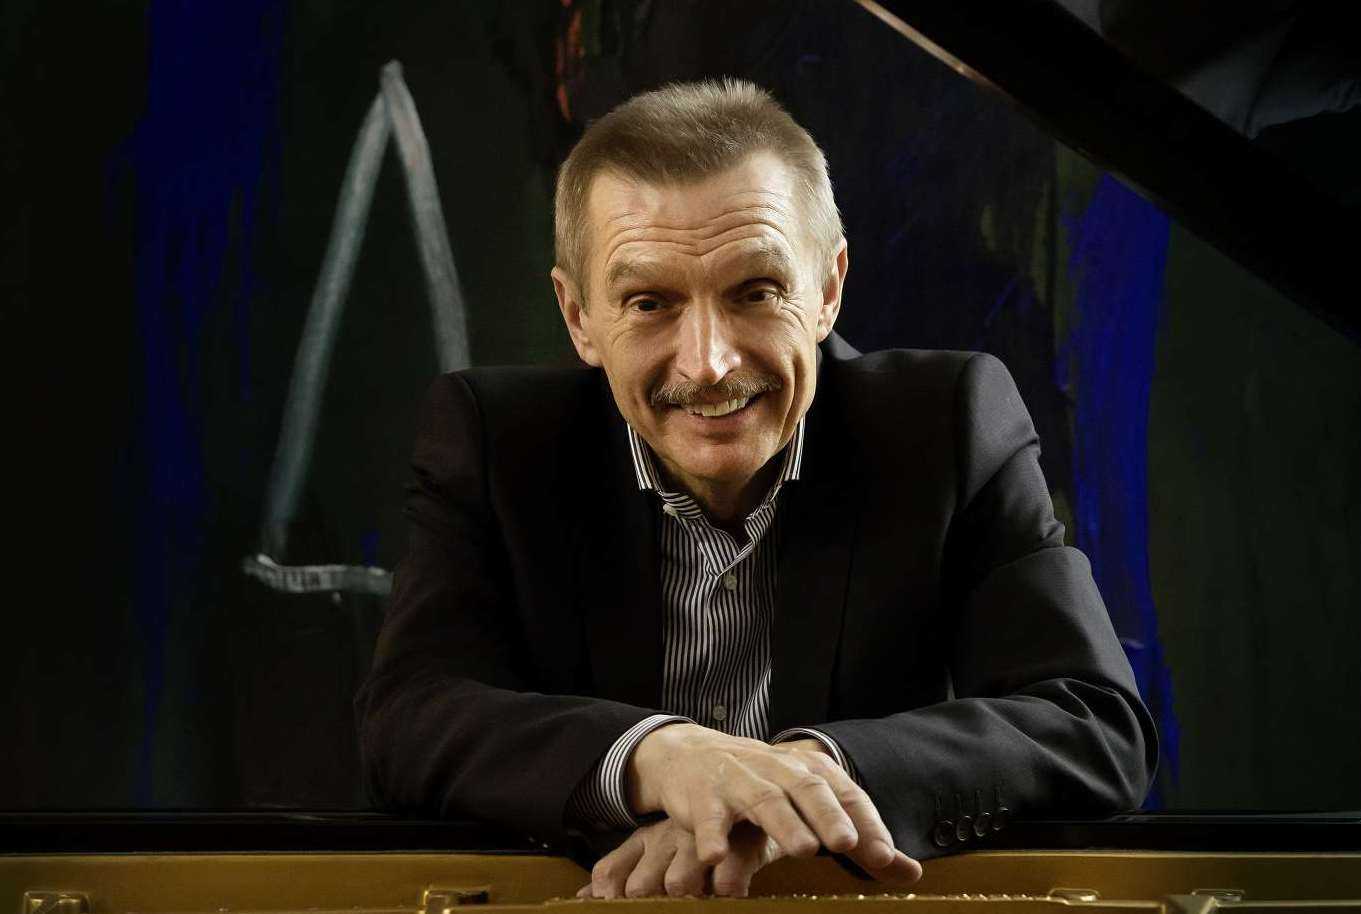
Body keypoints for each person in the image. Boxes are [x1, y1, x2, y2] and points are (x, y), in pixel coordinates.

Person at [354, 78, 1157, 900]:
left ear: (828, 290)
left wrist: (803, 781)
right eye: (649, 302)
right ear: (579, 316)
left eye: (757, 292)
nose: (709, 363)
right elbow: (409, 719)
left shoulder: (950, 423)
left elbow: (1092, 722)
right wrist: (660, 756)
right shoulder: (495, 443)